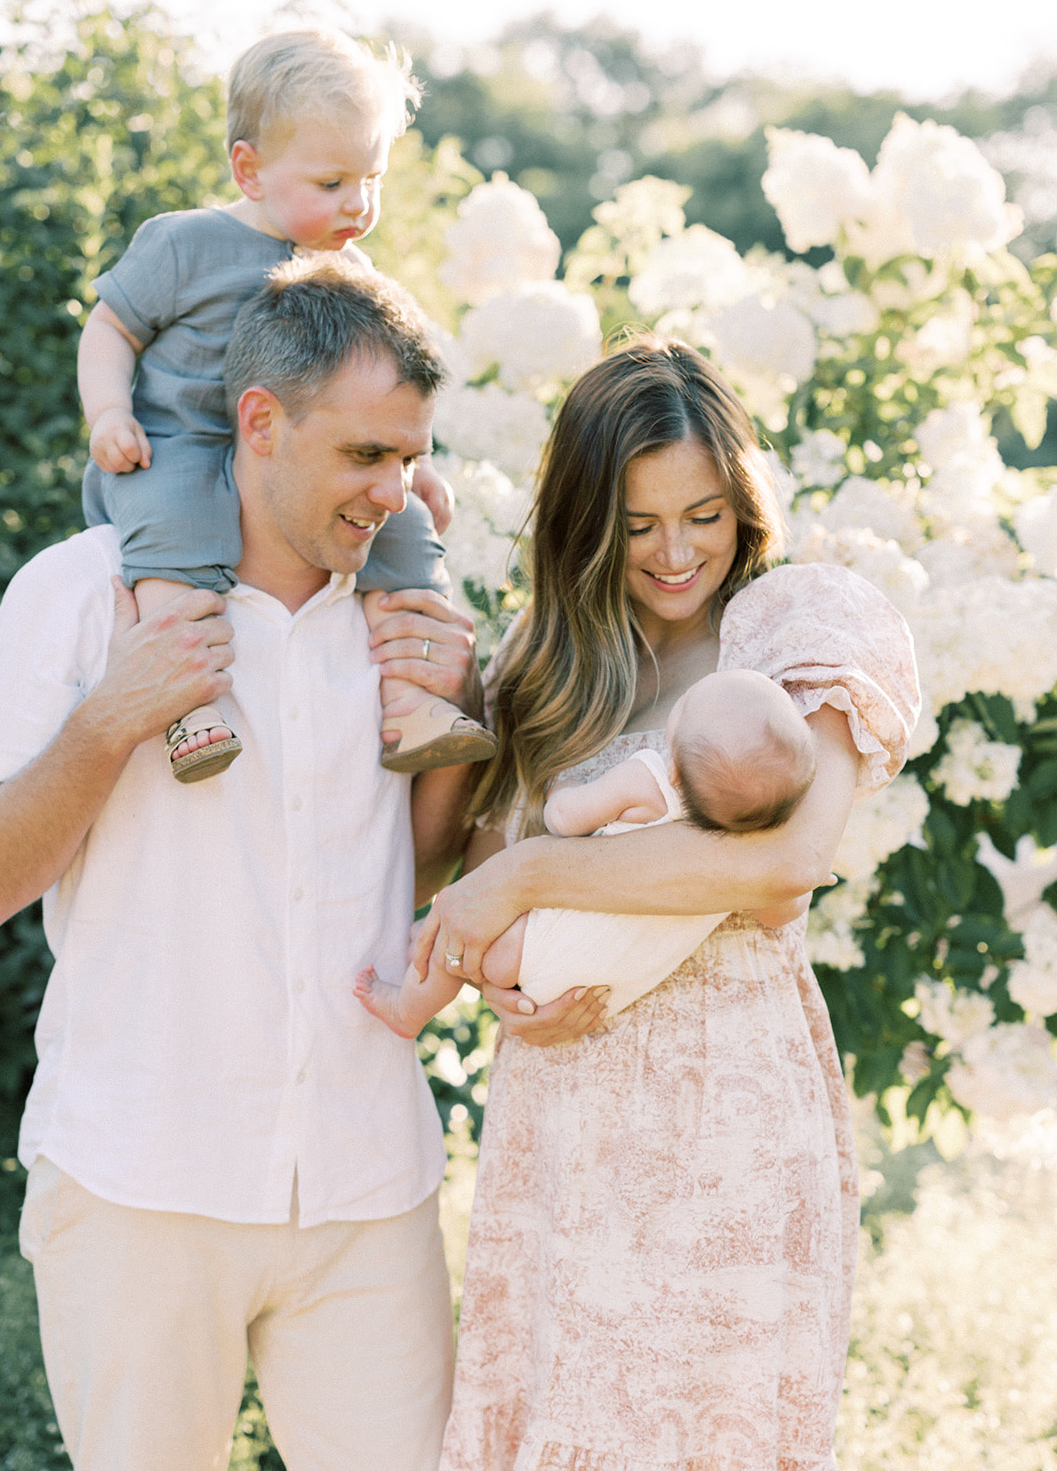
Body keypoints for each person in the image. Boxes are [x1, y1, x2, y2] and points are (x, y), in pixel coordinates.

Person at [0, 259, 581, 1471]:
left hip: (364, 1184)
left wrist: (455, 715)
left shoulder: (410, 618)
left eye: (409, 456)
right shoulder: (81, 595)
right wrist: (109, 719)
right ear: (260, 421)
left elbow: (424, 869)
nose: (398, 492)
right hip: (141, 1182)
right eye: (365, 456)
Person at [418, 338, 920, 1470]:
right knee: (559, 1413)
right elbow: (479, 878)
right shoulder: (553, 657)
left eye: (703, 514)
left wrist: (535, 873)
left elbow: (781, 859)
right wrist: (504, 969)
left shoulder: (797, 631)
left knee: (712, 1423)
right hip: (565, 1112)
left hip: (727, 1113)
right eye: (638, 527)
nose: (677, 552)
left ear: (743, 499)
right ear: (590, 525)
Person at [78, 26, 495, 782]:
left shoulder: (349, 269)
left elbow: (385, 380)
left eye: (372, 180)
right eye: (333, 183)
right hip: (174, 446)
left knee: (403, 532)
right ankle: (187, 707)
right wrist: (110, 414)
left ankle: (414, 703)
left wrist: (415, 465)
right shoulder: (184, 245)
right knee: (176, 537)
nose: (359, 205)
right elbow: (109, 326)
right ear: (251, 170)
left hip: (297, 467)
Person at [355, 667, 816, 1035]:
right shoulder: (745, 853)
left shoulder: (651, 780)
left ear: (675, 763)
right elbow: (782, 910)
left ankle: (408, 1010)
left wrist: (568, 785)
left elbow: (563, 818)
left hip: (535, 945)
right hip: (607, 988)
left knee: (455, 933)